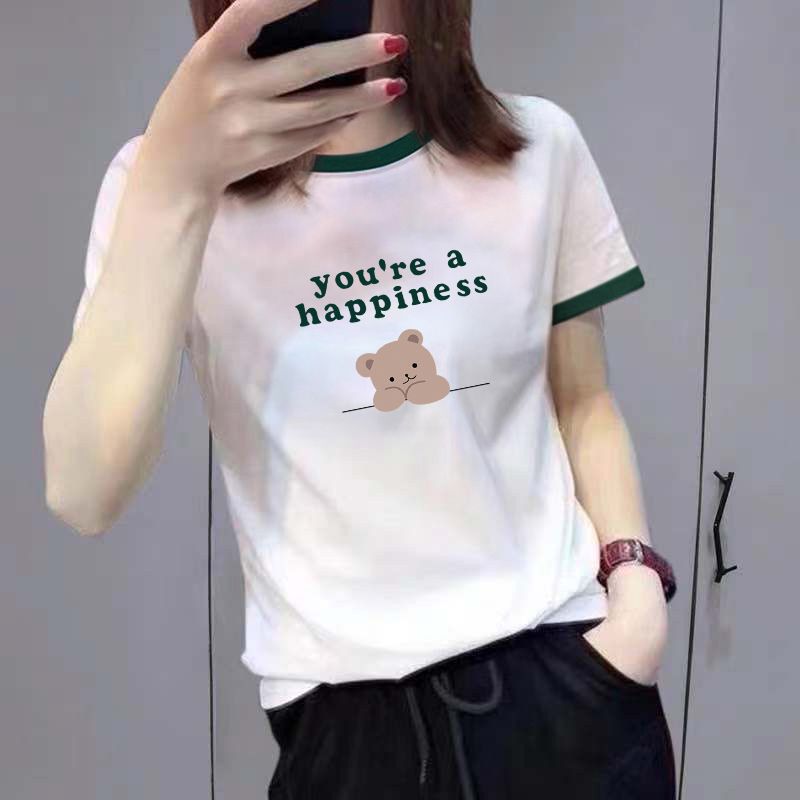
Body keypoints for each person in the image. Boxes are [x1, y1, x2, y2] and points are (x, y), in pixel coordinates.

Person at [43, 0, 678, 797]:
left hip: (569, 680)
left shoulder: (539, 146)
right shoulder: (157, 183)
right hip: (343, 724)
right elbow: (82, 492)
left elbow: (584, 402)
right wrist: (176, 182)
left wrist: (635, 597)